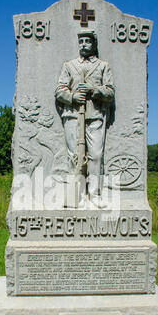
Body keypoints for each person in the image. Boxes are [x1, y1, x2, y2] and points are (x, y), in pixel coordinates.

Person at [55, 30, 114, 205]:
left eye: (88, 41)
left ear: (94, 44)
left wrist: (94, 90)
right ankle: (78, 195)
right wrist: (72, 97)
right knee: (75, 155)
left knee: (95, 155)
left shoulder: (103, 66)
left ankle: (95, 194)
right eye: (81, 41)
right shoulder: (69, 65)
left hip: (95, 115)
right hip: (73, 115)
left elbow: (110, 92)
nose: (84, 44)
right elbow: (59, 90)